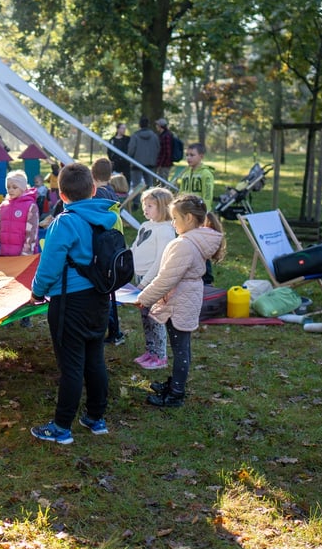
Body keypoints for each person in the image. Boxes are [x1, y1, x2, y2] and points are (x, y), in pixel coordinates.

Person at [29, 163, 116, 443]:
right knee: (95, 359)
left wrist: (37, 292)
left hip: (70, 303)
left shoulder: (64, 223)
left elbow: (49, 264)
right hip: (101, 300)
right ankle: (95, 417)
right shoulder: (106, 217)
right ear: (93, 189)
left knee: (71, 365)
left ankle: (62, 427)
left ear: (61, 196)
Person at [135, 194, 225, 408]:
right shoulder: (192, 240)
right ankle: (175, 384)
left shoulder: (185, 245)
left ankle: (176, 393)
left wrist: (144, 298)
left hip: (180, 301)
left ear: (189, 219)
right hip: (183, 298)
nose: (172, 222)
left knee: (181, 349)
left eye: (175, 218)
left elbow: (167, 278)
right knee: (180, 346)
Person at [130, 187, 175, 370]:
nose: (145, 209)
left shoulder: (165, 230)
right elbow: (135, 247)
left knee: (155, 318)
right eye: (144, 205)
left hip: (152, 281)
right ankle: (150, 351)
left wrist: (144, 283)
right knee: (145, 318)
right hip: (139, 278)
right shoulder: (145, 225)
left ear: (163, 207)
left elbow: (159, 261)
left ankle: (160, 356)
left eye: (150, 206)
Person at [91, 158, 124, 346]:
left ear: (92, 175)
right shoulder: (112, 192)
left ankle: (112, 330)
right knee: (110, 292)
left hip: (103, 247)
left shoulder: (97, 195)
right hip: (113, 244)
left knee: (104, 294)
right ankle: (115, 331)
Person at [178, 143, 216, 284]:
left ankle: (207, 279)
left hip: (198, 217)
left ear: (201, 156)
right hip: (185, 217)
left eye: (192, 155)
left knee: (201, 247)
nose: (188, 158)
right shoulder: (186, 173)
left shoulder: (206, 174)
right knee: (187, 247)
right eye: (187, 155)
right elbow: (181, 194)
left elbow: (207, 196)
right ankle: (190, 274)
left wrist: (202, 215)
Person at [0, 170, 39, 258]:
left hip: (23, 257)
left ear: (22, 188)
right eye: (8, 187)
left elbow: (32, 233)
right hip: (4, 255)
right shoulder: (4, 206)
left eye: (14, 187)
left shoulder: (30, 206)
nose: (10, 190)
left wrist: (26, 254)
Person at [128, 117, 160, 193]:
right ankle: (151, 201)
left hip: (136, 163)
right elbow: (158, 148)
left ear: (140, 125)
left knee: (136, 185)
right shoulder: (154, 136)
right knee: (150, 184)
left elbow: (131, 149)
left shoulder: (135, 136)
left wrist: (130, 158)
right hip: (150, 163)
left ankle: (136, 203)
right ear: (148, 124)